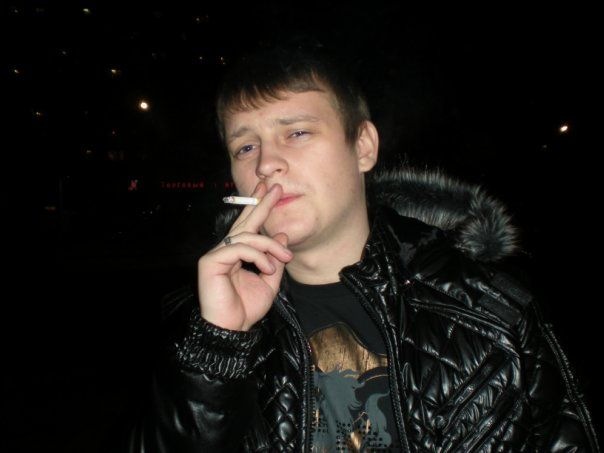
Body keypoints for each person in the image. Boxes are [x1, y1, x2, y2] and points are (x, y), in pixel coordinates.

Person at [126, 39, 600, 452]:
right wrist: (218, 348)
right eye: (245, 147)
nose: (266, 163)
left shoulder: (493, 313)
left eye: (297, 132)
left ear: (364, 146)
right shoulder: (200, 324)